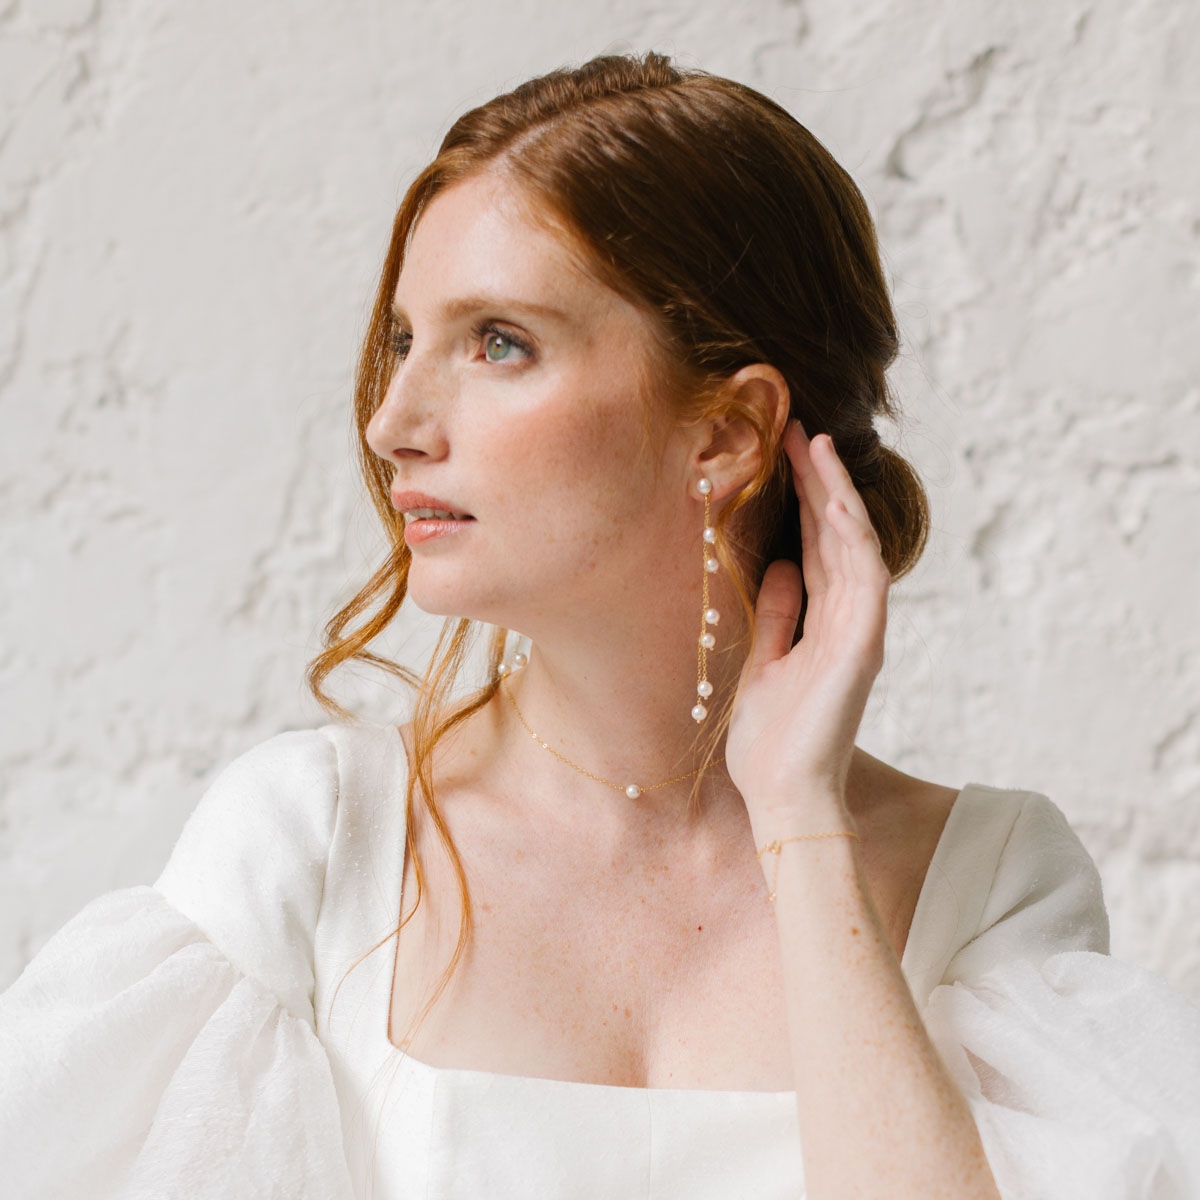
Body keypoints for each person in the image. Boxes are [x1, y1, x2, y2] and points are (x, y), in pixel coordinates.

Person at [1, 50, 1198, 1200]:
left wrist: (801, 820)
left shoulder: (988, 888)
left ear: (725, 433)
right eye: (407, 341)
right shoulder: (311, 854)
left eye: (499, 343)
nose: (393, 423)